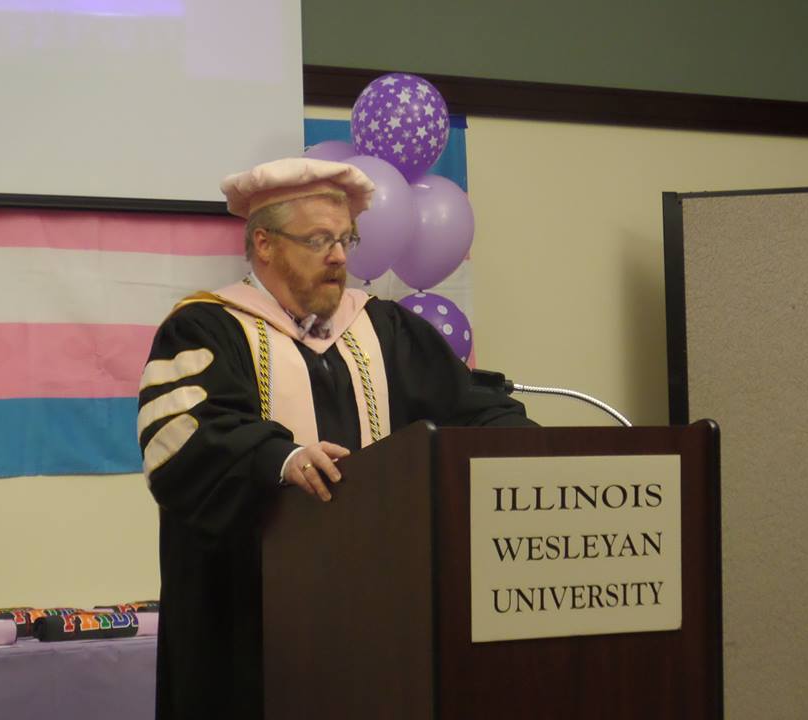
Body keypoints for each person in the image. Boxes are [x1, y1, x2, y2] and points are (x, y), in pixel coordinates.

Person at [138, 157, 535, 719]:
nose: (340, 257)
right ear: (265, 244)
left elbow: (465, 406)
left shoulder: (385, 328)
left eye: (346, 238)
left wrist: (525, 445)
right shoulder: (204, 329)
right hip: (249, 627)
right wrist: (281, 457)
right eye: (319, 239)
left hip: (375, 616)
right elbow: (184, 438)